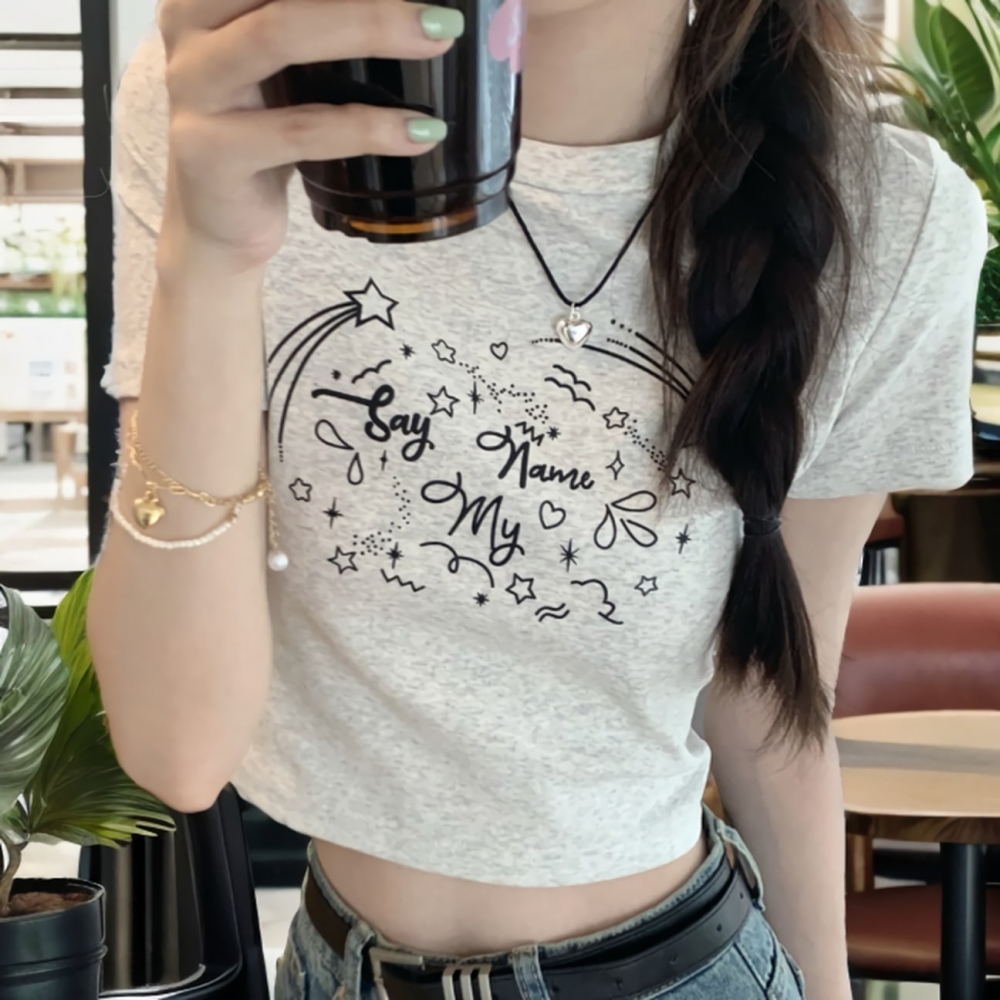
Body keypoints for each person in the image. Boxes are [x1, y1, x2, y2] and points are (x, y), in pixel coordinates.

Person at [87, 1, 986, 998]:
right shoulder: (237, 110)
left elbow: (770, 703)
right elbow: (177, 750)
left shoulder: (892, 214)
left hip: (675, 970)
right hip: (335, 966)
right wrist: (210, 260)